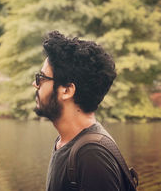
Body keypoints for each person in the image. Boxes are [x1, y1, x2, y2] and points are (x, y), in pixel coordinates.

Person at [33, 31, 129, 191]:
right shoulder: (65, 142)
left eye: (41, 78)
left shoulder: (92, 156)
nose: (35, 84)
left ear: (67, 90)